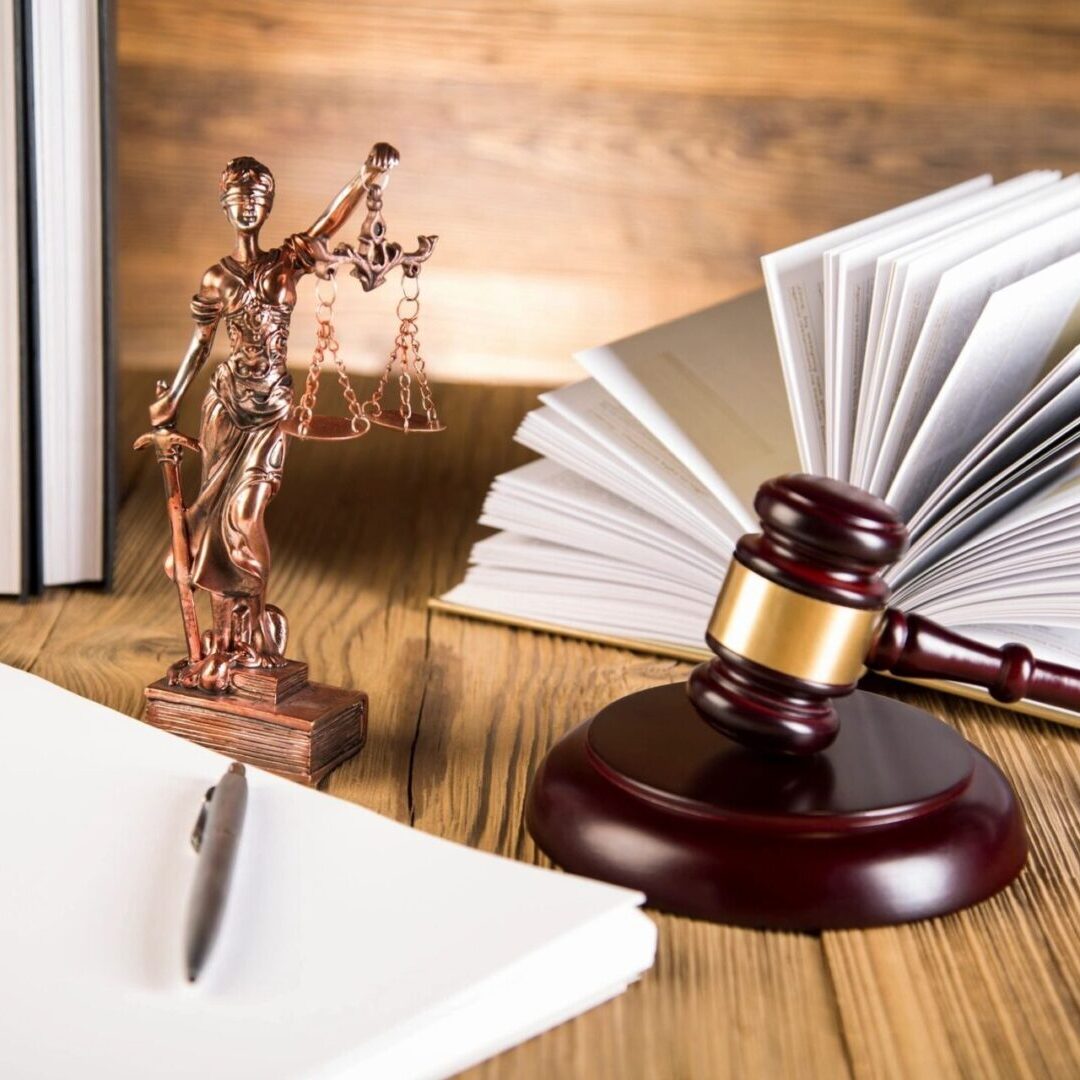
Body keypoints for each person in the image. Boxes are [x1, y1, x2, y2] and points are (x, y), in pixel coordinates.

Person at [149, 144, 398, 691]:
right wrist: (174, 399)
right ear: (225, 205)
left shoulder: (285, 262)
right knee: (211, 520)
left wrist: (363, 179)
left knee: (244, 511)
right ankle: (227, 642)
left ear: (268, 205)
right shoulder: (217, 277)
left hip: (271, 411)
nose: (247, 207)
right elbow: (201, 342)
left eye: (257, 198)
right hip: (226, 406)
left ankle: (254, 627)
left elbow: (329, 224)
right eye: (238, 198)